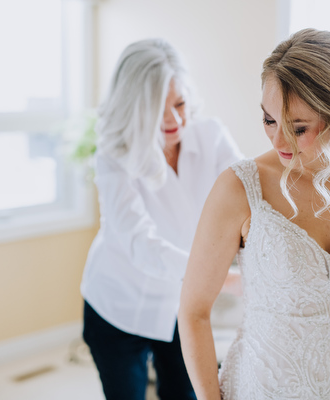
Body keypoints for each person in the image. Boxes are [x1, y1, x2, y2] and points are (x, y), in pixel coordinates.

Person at [178, 28, 330, 400]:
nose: (278, 141)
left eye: (297, 128)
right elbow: (193, 311)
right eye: (269, 120)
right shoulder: (240, 187)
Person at [80, 38, 243, 400]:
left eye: (180, 103)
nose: (174, 119)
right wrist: (222, 277)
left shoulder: (211, 136)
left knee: (185, 393)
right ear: (135, 107)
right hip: (117, 305)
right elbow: (139, 240)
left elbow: (249, 195)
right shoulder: (114, 156)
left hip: (178, 303)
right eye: (159, 108)